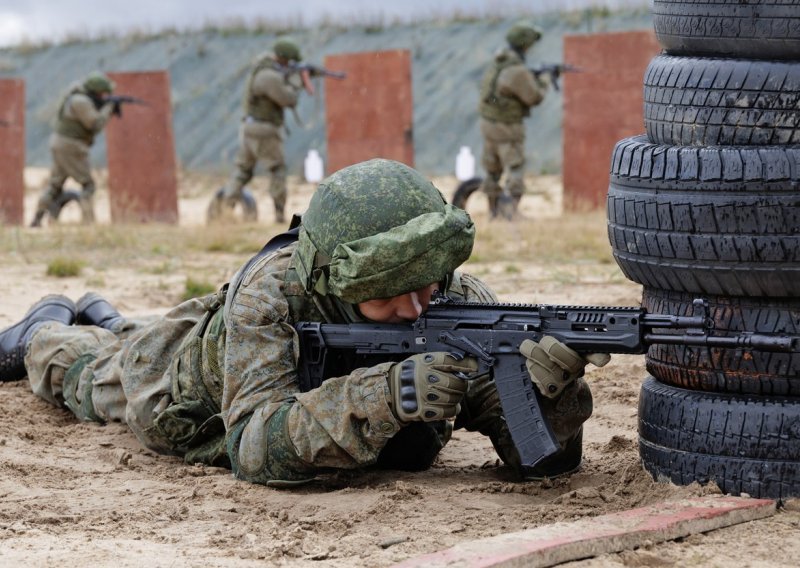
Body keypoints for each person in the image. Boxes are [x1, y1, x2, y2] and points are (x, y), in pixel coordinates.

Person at [1, 159, 608, 485]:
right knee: (93, 373)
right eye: (387, 300)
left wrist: (547, 391)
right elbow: (253, 448)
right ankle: (47, 325)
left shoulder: (461, 302)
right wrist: (388, 395)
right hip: (185, 386)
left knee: (133, 331)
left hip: (219, 345)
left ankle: (107, 315)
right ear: (338, 286)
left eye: (427, 286)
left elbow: (539, 462)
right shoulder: (272, 298)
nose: (418, 309)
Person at [209, 38, 308, 225]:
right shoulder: (269, 76)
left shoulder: (262, 70)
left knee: (242, 171)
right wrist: (297, 81)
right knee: (277, 170)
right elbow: (288, 99)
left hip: (250, 128)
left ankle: (225, 210)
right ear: (284, 59)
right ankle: (279, 217)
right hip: (265, 130)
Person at [478, 22, 548, 219]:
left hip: (489, 125)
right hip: (507, 127)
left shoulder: (499, 62)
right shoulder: (517, 70)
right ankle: (511, 213)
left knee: (492, 169)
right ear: (525, 45)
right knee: (515, 167)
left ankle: (493, 212)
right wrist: (544, 80)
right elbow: (534, 97)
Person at [31, 72, 119, 227]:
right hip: (71, 145)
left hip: (61, 143)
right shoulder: (81, 101)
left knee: (55, 185)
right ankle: (88, 222)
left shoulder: (76, 98)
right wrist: (108, 108)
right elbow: (95, 124)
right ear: (96, 91)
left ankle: (37, 219)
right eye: (102, 93)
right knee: (88, 185)